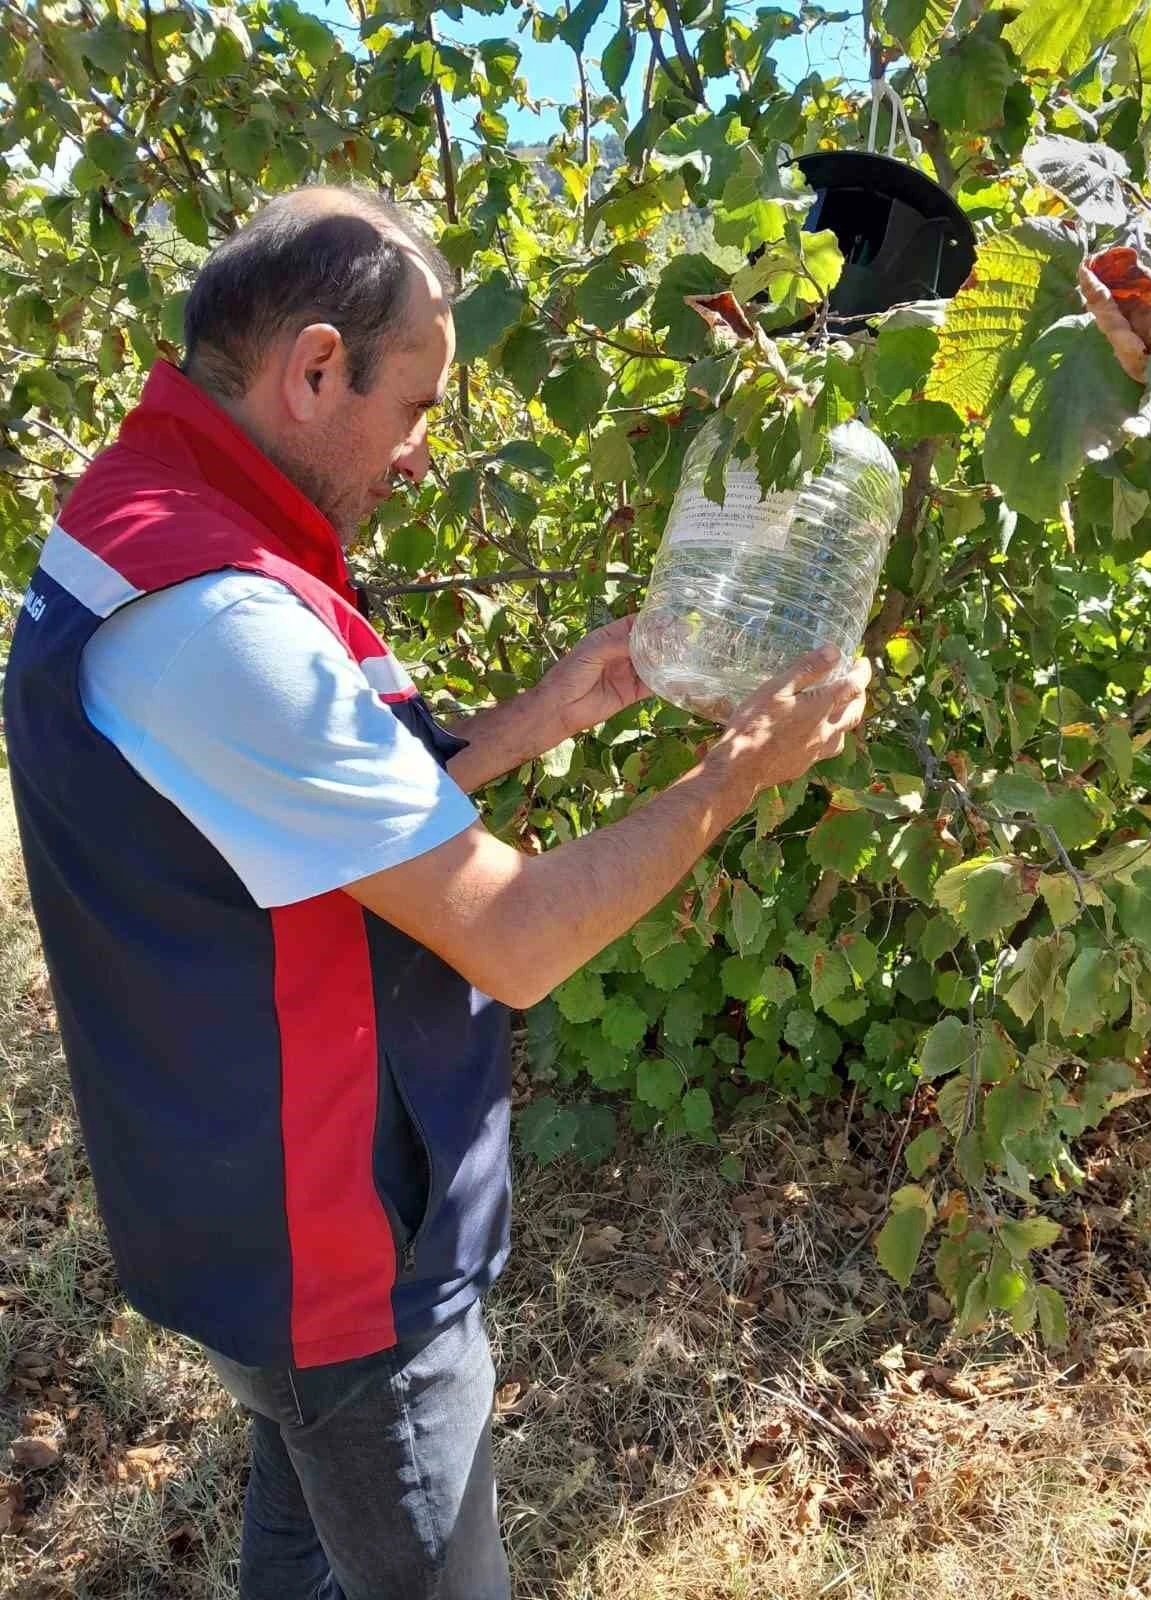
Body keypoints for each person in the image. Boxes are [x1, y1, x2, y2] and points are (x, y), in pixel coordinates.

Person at [2, 186, 871, 1600]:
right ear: (315, 368)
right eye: (414, 407)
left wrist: (536, 718)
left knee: (303, 1514)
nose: (421, 454)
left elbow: (281, 807)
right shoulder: (218, 619)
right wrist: (735, 775)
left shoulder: (146, 522)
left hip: (239, 1203)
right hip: (332, 1246)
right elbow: (515, 938)